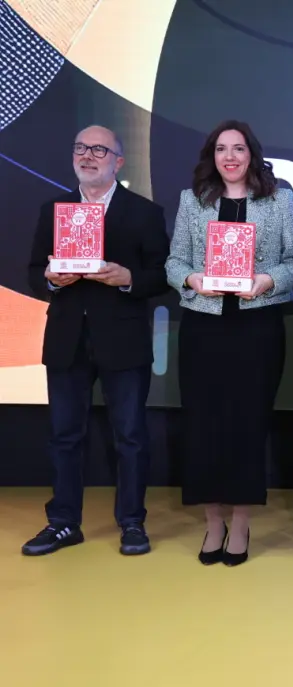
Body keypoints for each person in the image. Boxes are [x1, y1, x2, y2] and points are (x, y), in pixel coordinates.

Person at [21, 125, 170, 557]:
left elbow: (162, 275)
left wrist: (127, 278)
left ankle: (132, 523)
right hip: (66, 339)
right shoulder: (54, 209)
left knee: (131, 437)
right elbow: (33, 271)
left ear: (118, 161)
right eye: (81, 148)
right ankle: (64, 522)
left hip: (123, 339)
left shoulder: (144, 213)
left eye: (99, 150)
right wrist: (51, 279)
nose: (87, 156)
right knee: (64, 436)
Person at [164, 119, 293, 566]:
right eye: (221, 149)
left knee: (248, 424)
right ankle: (213, 522)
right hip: (203, 328)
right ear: (212, 156)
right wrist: (192, 279)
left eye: (238, 148)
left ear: (251, 154)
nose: (230, 157)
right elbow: (174, 261)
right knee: (203, 425)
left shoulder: (279, 200)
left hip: (257, 327)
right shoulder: (192, 200)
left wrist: (266, 281)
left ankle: (240, 522)